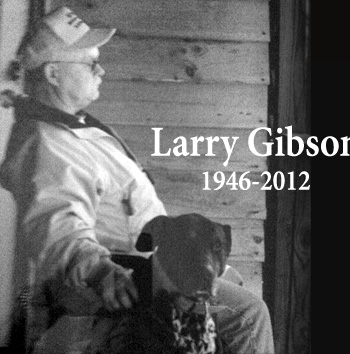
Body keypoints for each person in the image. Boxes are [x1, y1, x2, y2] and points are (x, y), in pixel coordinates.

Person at [0, 6, 274, 354]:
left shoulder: (73, 129)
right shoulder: (49, 146)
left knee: (230, 292)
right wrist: (100, 272)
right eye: (89, 63)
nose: (101, 70)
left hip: (149, 268)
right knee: (248, 314)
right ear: (54, 73)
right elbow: (58, 231)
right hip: (121, 280)